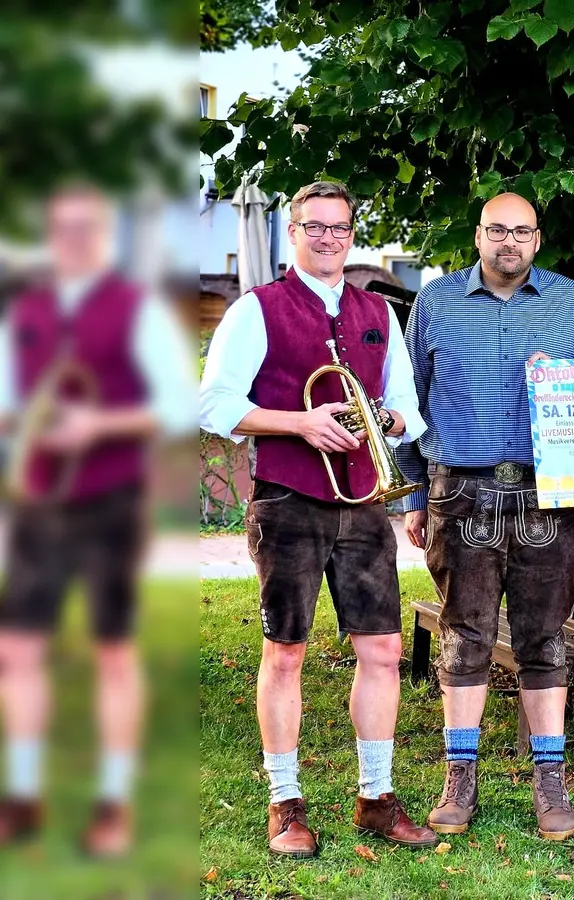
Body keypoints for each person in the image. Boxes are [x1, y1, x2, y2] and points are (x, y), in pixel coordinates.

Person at [199, 180, 437, 857]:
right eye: (314, 226)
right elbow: (214, 404)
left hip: (362, 500)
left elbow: (407, 408)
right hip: (288, 500)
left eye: (339, 227)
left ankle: (375, 797)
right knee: (286, 652)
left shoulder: (376, 312)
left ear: (351, 233)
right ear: (293, 233)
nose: (328, 237)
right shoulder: (256, 310)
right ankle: (285, 803)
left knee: (383, 651)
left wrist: (386, 418)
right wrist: (299, 422)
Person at [396, 192, 574, 842]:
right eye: (495, 230)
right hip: (459, 491)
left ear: (537, 239)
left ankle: (551, 781)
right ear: (477, 234)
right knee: (465, 635)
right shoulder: (435, 302)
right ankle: (460, 778)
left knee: (545, 639)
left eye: (520, 231)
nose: (507, 241)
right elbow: (409, 400)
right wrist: (410, 498)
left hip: (549, 494)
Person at [0, 184, 190, 856]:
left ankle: (113, 803)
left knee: (114, 652)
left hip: (110, 499)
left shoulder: (137, 312)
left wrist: (97, 424)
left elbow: (175, 406)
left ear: (105, 236)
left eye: (88, 228)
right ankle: (21, 795)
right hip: (38, 502)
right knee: (15, 651)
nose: (75, 239)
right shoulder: (25, 311)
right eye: (63, 228)